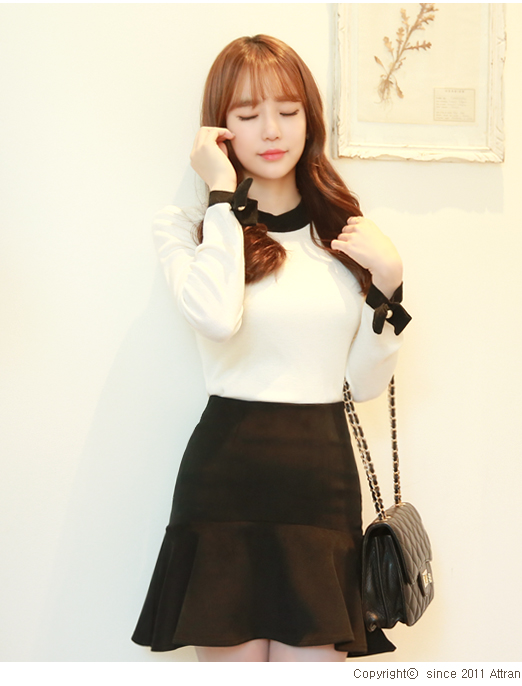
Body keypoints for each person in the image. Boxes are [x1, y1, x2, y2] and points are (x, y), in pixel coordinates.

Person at [131, 34, 409, 662]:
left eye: (287, 110)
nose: (272, 130)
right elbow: (215, 317)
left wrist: (389, 285)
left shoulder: (344, 236)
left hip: (320, 484)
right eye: (248, 114)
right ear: (219, 130)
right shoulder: (186, 228)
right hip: (224, 482)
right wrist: (223, 198)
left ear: (310, 118)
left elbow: (364, 385)